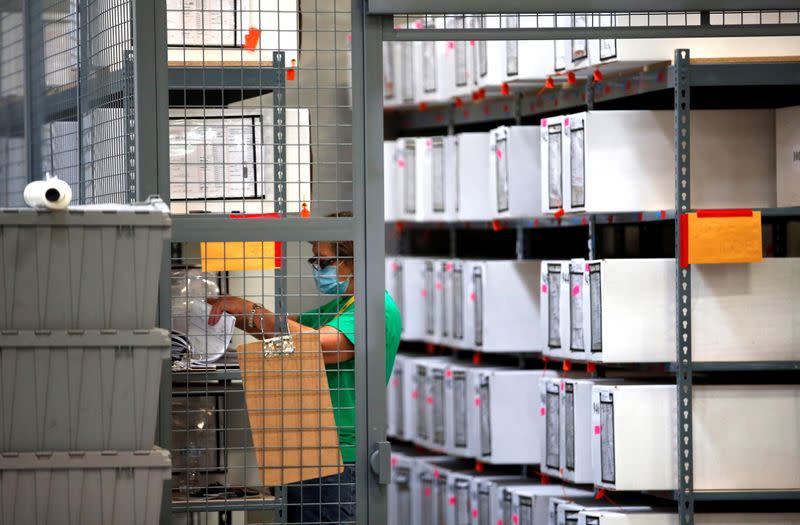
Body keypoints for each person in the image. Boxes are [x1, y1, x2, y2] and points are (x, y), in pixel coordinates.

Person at [207, 212, 402, 524]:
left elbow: (314, 346)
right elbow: (282, 333)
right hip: (308, 448)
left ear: (353, 260)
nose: (317, 268)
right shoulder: (340, 307)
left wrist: (249, 309)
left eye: (322, 261)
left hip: (340, 456)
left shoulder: (377, 309)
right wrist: (230, 308)